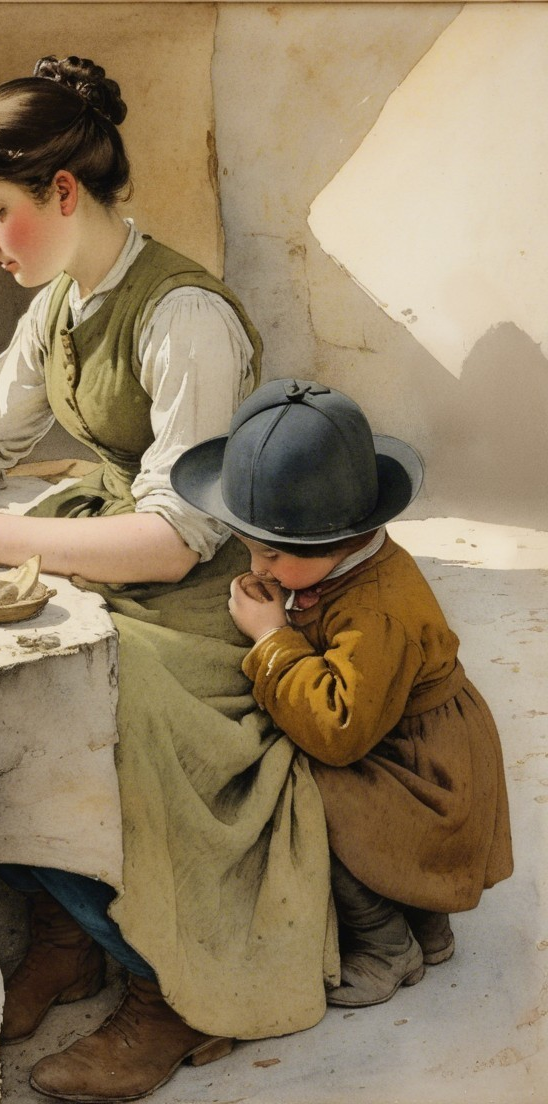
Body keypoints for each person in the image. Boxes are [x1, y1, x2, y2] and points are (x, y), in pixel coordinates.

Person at [0, 57, 338, 1103]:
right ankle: (70, 936)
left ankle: (171, 993)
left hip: (198, 579)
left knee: (134, 700)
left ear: (61, 192)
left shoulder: (184, 316)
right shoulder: (62, 299)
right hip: (101, 535)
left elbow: (173, 536)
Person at [172, 377, 514, 1010]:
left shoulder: (376, 610)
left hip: (425, 774)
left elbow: (337, 733)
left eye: (273, 556)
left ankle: (387, 948)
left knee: (305, 800)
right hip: (413, 742)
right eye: (250, 549)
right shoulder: (347, 565)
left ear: (336, 542)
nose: (257, 569)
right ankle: (429, 930)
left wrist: (272, 637)